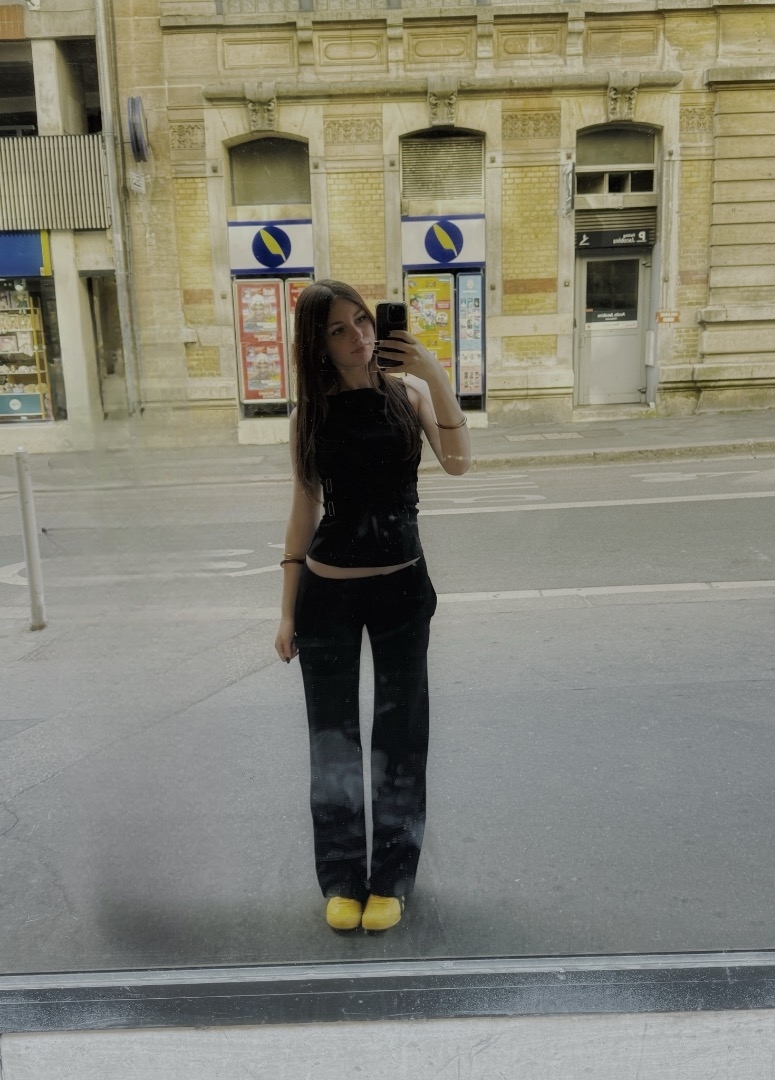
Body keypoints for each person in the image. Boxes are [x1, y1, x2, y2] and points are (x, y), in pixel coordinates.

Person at [274, 279, 472, 932]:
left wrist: (432, 370)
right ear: (318, 344)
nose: (358, 336)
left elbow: (458, 462)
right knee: (332, 740)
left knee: (401, 738)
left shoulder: (409, 394)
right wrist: (286, 610)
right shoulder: (309, 415)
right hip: (326, 594)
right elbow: (303, 509)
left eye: (361, 321)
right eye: (338, 329)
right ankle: (341, 878)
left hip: (402, 591)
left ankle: (390, 878)